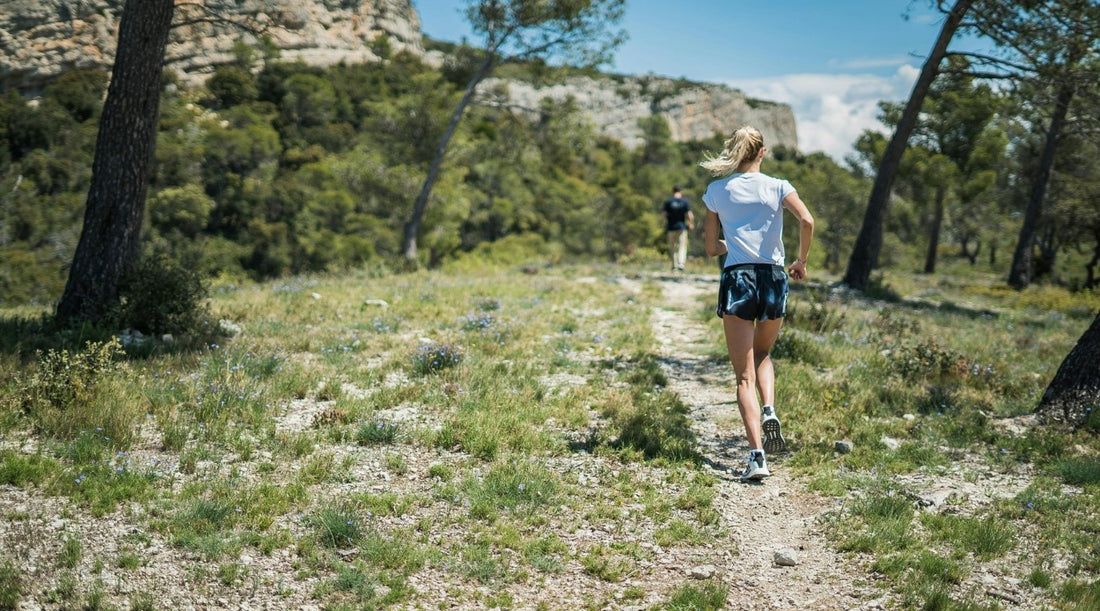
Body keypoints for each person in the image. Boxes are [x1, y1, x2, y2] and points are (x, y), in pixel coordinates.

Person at [699, 126, 814, 482]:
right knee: (764, 354)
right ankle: (769, 408)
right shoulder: (779, 186)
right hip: (774, 278)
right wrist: (800, 262)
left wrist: (729, 244)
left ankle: (757, 456)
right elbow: (807, 220)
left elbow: (710, 247)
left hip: (738, 279)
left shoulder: (717, 191)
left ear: (733, 151)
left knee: (743, 375)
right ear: (762, 151)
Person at [661, 186, 695, 271]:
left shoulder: (668, 202)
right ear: (681, 192)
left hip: (671, 227)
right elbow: (690, 215)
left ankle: (674, 265)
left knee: (672, 247)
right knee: (682, 246)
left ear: (673, 192)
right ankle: (681, 263)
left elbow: (664, 215)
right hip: (681, 227)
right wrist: (690, 224)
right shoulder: (684, 202)